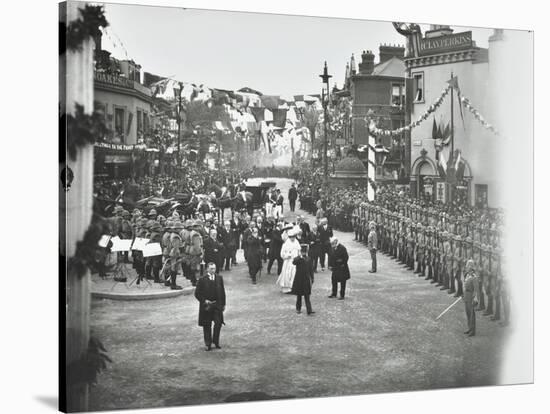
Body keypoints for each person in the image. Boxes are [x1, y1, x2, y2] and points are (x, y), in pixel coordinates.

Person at [194, 262, 226, 351]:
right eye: (211, 269)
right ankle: (208, 344)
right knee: (207, 324)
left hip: (217, 305)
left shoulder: (219, 278)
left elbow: (222, 292)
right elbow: (197, 294)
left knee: (218, 323)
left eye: (214, 269)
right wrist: (204, 301)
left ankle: (216, 341)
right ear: (207, 269)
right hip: (207, 306)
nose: (213, 270)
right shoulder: (202, 280)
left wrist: (223, 304)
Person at [291, 244, 315, 315]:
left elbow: (311, 269)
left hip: (306, 280)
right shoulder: (298, 259)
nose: (303, 253)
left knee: (307, 296)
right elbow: (294, 262)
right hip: (299, 279)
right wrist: (299, 256)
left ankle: (309, 310)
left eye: (304, 252)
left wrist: (312, 278)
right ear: (300, 252)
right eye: (302, 252)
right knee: (299, 295)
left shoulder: (309, 259)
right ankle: (298, 308)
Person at [276, 229, 301, 293]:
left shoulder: (296, 242)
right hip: (288, 261)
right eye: (291, 237)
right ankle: (286, 288)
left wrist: (299, 257)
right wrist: (287, 255)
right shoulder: (286, 244)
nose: (293, 238)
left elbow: (299, 251)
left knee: (294, 274)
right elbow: (282, 254)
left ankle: (294, 287)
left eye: (294, 237)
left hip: (295, 261)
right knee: (287, 274)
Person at [463, 259, 480, 337]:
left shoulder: (474, 277)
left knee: (471, 313)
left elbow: (476, 289)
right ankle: (469, 328)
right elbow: (465, 285)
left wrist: (475, 298)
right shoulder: (467, 275)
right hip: (466, 294)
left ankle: (472, 330)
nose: (466, 267)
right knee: (468, 313)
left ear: (471, 267)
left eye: (468, 266)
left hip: (471, 295)